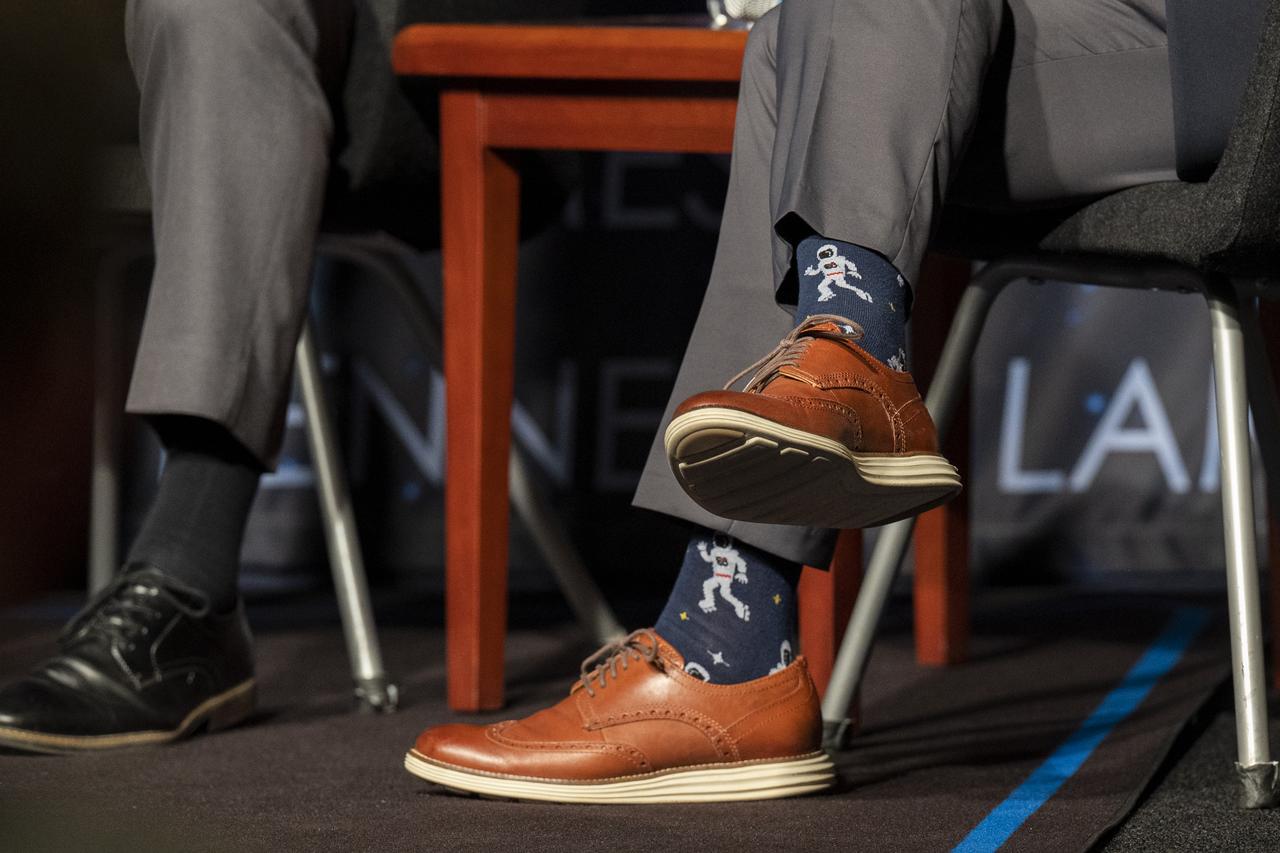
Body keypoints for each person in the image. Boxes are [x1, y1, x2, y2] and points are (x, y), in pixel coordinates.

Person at [403, 0, 1228, 803]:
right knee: (795, 38)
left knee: (815, 68)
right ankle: (842, 381)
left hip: (1221, 52)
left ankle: (728, 644)